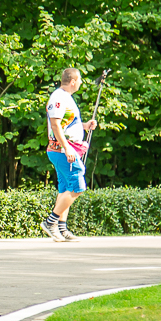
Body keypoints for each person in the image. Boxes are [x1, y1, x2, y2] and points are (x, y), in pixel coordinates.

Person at [40, 68, 97, 242]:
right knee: (78, 186)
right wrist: (67, 148)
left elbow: (67, 123)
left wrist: (85, 125)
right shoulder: (58, 97)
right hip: (63, 150)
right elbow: (55, 125)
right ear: (72, 81)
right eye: (79, 80)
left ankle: (62, 229)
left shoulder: (66, 98)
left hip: (64, 149)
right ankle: (51, 222)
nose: (81, 83)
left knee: (65, 188)